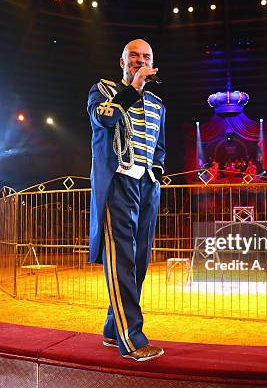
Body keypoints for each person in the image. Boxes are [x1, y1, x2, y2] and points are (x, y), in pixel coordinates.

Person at [87, 39, 165, 361]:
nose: (140, 60)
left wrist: (156, 173)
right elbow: (104, 119)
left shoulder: (159, 104)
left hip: (146, 185)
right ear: (122, 61)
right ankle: (131, 338)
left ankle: (111, 327)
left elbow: (160, 146)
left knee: (139, 261)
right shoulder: (103, 90)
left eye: (146, 56)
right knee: (121, 260)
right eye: (134, 56)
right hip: (118, 183)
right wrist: (133, 88)